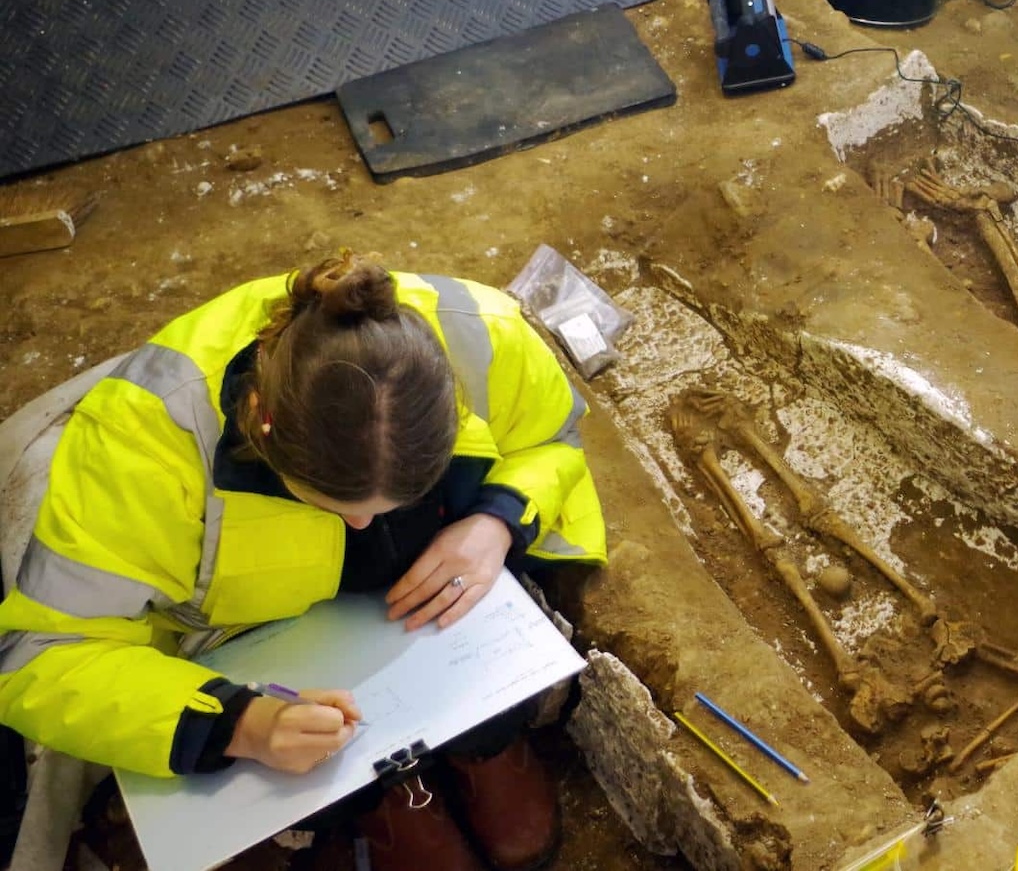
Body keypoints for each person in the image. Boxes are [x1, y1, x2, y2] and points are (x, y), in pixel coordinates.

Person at [0, 252, 607, 871]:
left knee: (516, 831)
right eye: (333, 504)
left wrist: (497, 520)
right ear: (261, 424)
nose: (365, 526)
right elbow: (42, 654)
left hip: (425, 625)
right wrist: (239, 724)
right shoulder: (138, 452)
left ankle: (480, 736)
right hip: (246, 637)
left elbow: (548, 436)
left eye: (398, 500)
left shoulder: (480, 333)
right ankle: (375, 794)